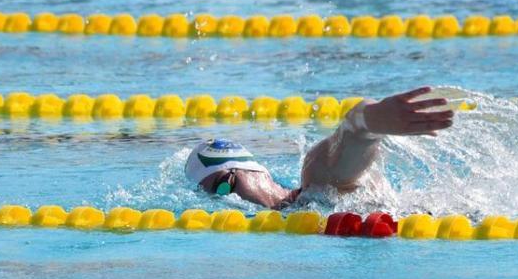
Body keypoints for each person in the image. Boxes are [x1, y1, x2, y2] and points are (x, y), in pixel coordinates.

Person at [185, 87, 453, 209]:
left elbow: (353, 132)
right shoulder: (301, 209)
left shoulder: (315, 179)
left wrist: (374, 119)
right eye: (216, 197)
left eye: (226, 185)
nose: (231, 201)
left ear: (259, 172)